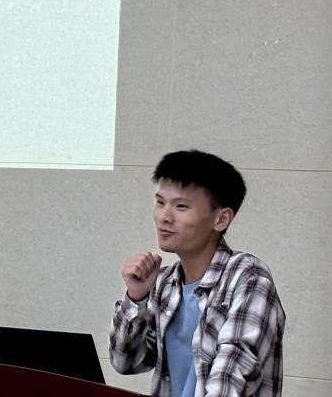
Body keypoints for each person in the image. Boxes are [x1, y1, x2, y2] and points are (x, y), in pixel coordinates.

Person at [109, 150, 285, 397]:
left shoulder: (248, 279)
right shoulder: (165, 282)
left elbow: (228, 386)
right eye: (160, 202)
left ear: (221, 219)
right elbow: (125, 362)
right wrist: (137, 297)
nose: (164, 217)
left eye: (181, 206)